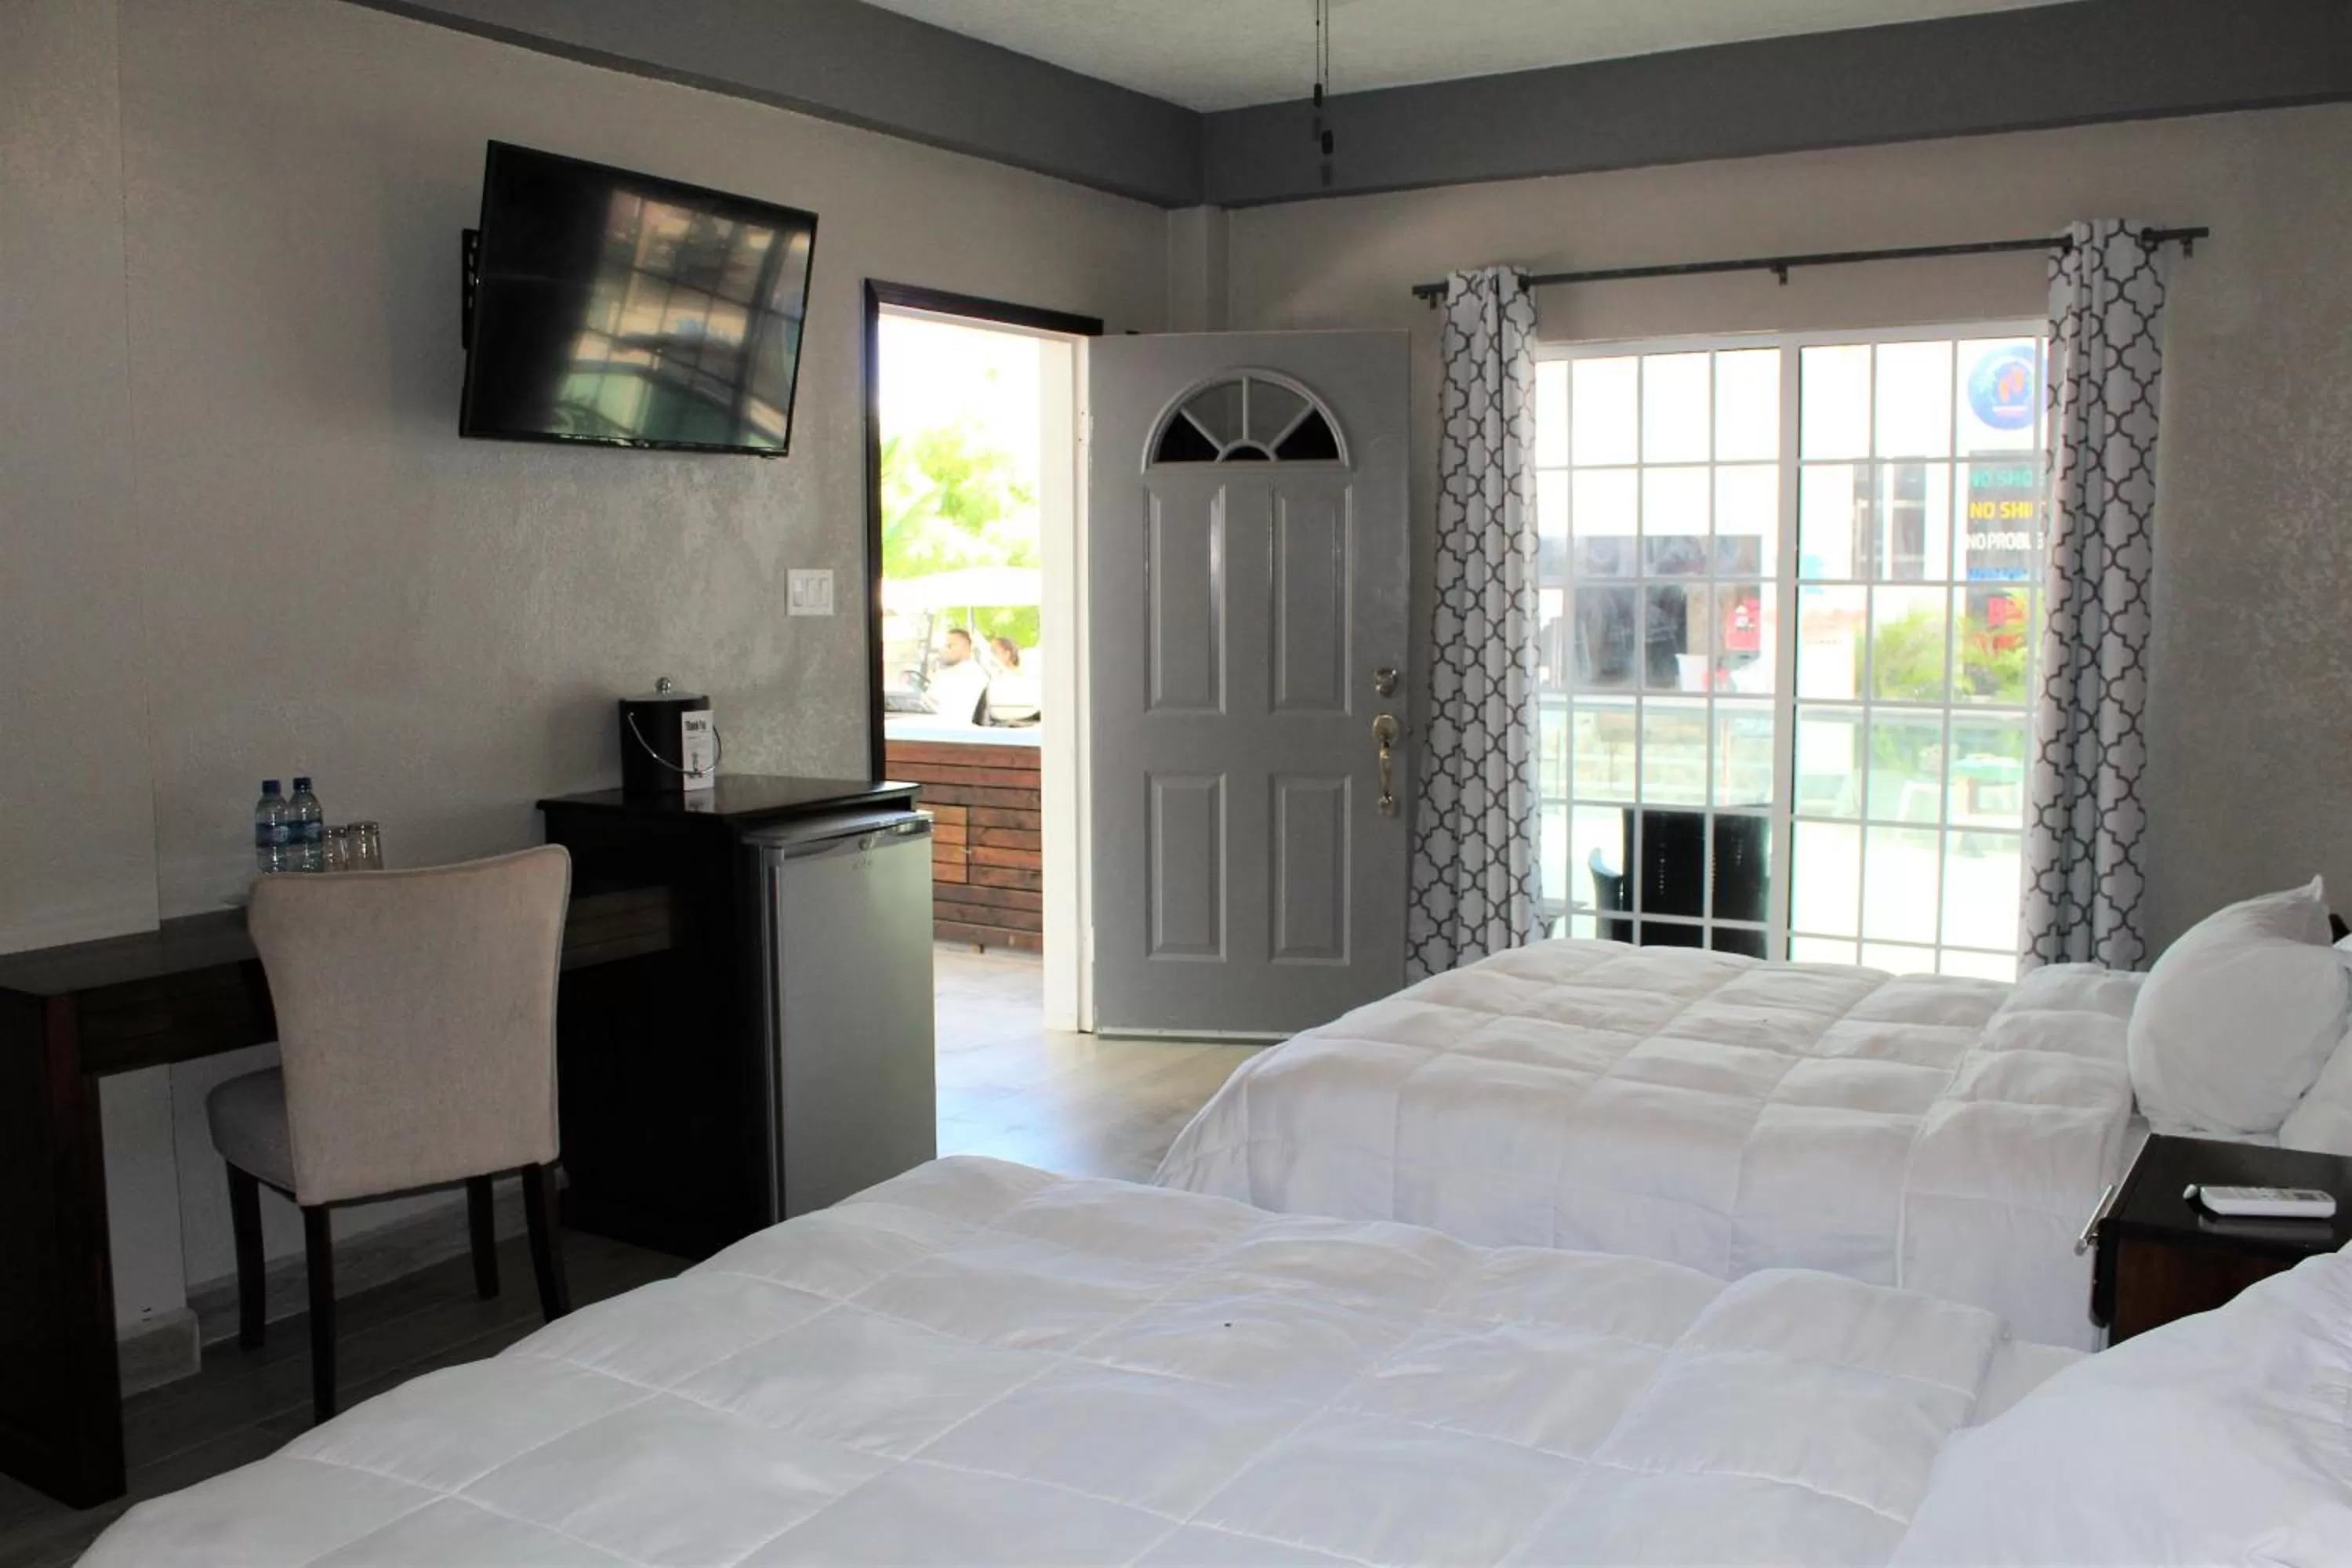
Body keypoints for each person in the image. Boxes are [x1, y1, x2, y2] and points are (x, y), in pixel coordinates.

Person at [925, 626, 990, 725]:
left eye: (951, 646)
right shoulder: (944, 674)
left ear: (966, 647)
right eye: (945, 646)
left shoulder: (975, 676)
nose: (945, 650)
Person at [986, 634, 1041, 723]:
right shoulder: (994, 676)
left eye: (994, 652)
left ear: (1007, 654)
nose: (991, 657)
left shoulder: (1026, 676)